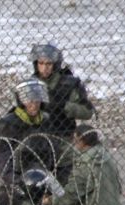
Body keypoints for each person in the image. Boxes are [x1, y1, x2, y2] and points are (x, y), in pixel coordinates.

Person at [30, 43, 95, 183]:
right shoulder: (31, 84)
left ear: (55, 65)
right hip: (38, 141)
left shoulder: (68, 84)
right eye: (41, 63)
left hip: (64, 142)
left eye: (49, 64)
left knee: (66, 183)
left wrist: (64, 106)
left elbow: (88, 111)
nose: (44, 68)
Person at [0, 78, 56, 205]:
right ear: (22, 102)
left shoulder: (46, 120)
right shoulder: (9, 123)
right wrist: (13, 179)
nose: (34, 105)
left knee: (59, 197)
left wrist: (50, 170)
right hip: (18, 174)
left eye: (37, 101)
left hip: (42, 172)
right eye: (30, 101)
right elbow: (2, 154)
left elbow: (51, 148)